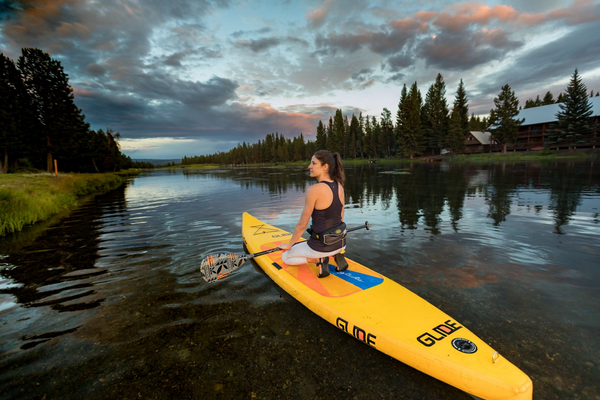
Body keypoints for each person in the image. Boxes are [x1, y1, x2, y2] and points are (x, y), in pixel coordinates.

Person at [278, 150, 347, 278]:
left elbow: (302, 225)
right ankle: (336, 254)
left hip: (320, 248)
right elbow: (341, 218)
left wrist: (289, 245)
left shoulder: (314, 190)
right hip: (340, 243)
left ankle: (317, 259)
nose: (309, 166)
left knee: (285, 257)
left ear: (325, 167)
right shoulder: (339, 186)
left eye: (313, 163)